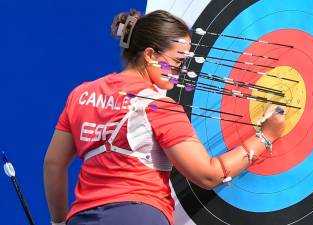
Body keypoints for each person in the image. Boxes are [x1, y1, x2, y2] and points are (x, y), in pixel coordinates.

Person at [43, 9, 285, 225]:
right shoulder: (159, 106)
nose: (180, 73)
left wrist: (58, 221)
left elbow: (53, 163)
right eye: (178, 61)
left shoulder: (81, 95)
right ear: (149, 54)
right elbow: (210, 174)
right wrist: (266, 136)